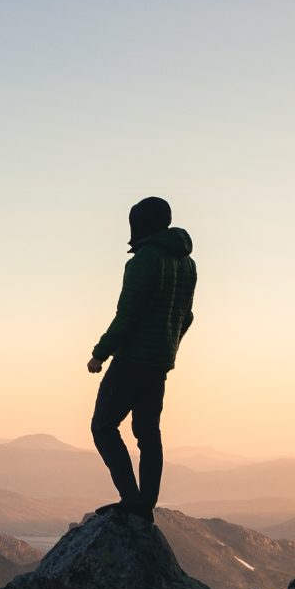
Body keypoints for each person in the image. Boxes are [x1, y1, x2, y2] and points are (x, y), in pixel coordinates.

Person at [86, 196, 196, 519]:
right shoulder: (187, 264)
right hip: (160, 363)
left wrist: (100, 353)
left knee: (103, 426)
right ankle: (145, 504)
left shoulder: (145, 260)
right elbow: (186, 316)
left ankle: (132, 500)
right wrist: (169, 345)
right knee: (148, 432)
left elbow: (128, 316)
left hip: (132, 360)